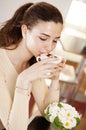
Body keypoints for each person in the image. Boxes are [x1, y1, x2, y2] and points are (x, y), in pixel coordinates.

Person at [0, 1, 65, 130]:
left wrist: (55, 80)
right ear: (25, 30)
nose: (49, 47)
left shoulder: (33, 64)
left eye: (55, 40)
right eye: (43, 38)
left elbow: (48, 112)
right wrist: (23, 81)